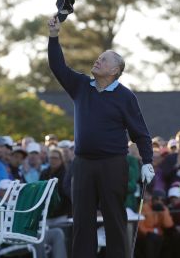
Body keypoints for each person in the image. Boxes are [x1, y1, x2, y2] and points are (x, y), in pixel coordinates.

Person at [48, 16, 154, 258]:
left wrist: (147, 161)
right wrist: (54, 36)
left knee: (114, 220)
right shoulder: (81, 85)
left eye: (104, 59)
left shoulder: (125, 97)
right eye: (99, 57)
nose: (98, 59)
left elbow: (140, 132)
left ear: (115, 70)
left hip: (112, 164)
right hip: (83, 164)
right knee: (82, 222)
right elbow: (58, 67)